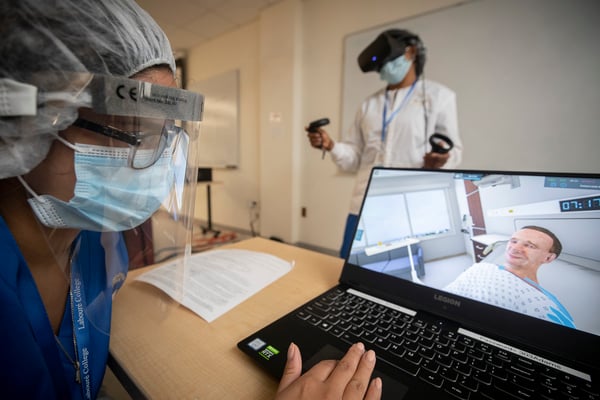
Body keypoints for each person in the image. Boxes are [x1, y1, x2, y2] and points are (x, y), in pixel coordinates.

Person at [0, 1, 381, 399]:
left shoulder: (97, 245)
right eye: (136, 128)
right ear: (26, 121)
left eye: (167, 132)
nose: (161, 157)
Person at [306, 29, 463, 258]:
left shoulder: (439, 97)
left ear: (410, 52)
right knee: (348, 268)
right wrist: (331, 145)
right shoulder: (369, 105)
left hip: (411, 207)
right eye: (379, 67)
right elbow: (354, 158)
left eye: (387, 62)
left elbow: (454, 150)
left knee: (399, 277)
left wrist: (443, 160)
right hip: (363, 206)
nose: (383, 70)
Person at [444, 226, 575, 328]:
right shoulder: (481, 267)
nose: (515, 248)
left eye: (530, 245)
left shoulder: (546, 306)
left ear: (548, 258)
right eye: (513, 241)